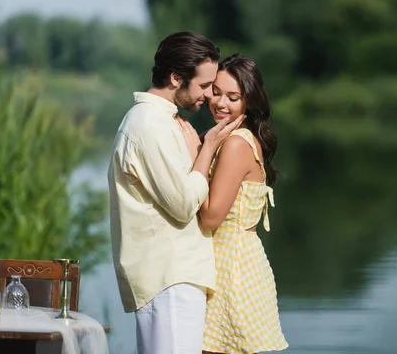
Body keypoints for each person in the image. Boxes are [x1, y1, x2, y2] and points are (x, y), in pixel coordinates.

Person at [108, 32, 244, 354]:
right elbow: (184, 205)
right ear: (175, 78)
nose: (210, 95)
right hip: (168, 278)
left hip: (175, 275)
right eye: (204, 85)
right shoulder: (149, 125)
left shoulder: (164, 121)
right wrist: (207, 147)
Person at [179, 54, 288, 354]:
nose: (220, 103)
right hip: (231, 264)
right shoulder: (232, 139)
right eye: (216, 92)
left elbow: (212, 217)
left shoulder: (236, 144)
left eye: (233, 97)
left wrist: (196, 154)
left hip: (232, 273)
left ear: (249, 102)